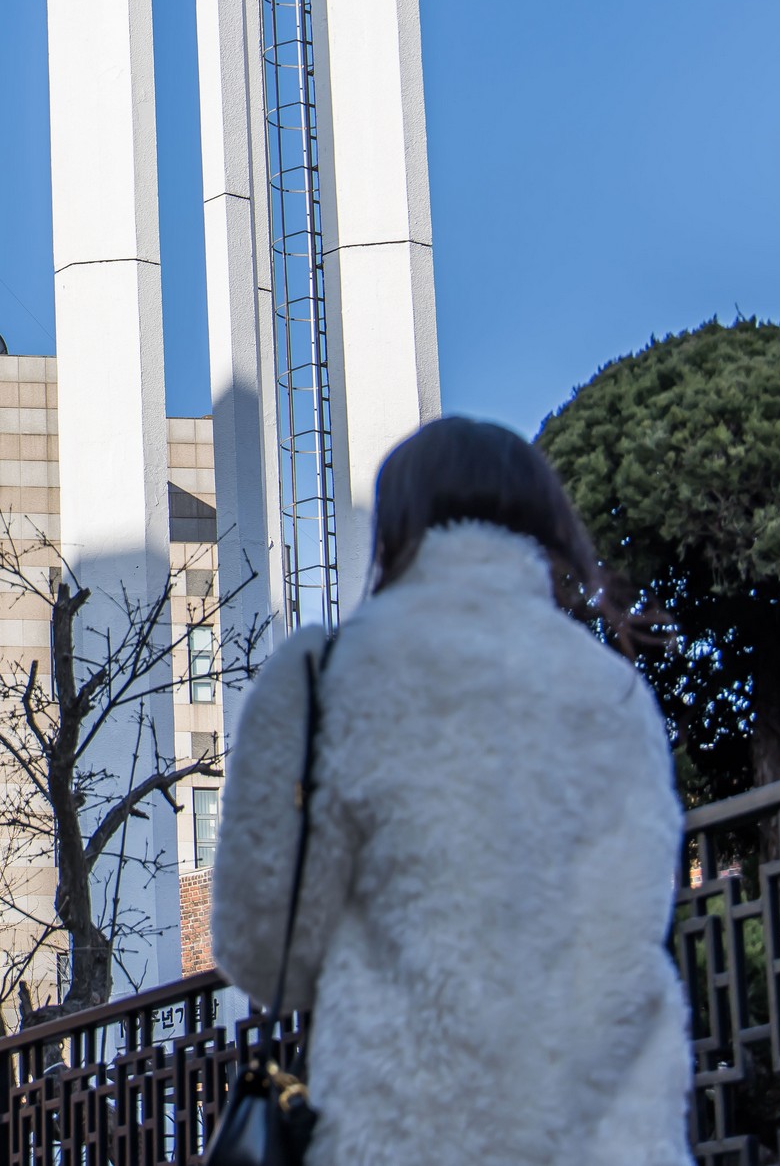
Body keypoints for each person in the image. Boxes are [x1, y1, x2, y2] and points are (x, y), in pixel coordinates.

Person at [210, 417, 690, 1164]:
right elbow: (640, 916)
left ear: (396, 525)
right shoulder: (618, 694)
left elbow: (264, 947)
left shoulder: (325, 677)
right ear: (546, 526)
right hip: (616, 1138)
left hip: (405, 1132)